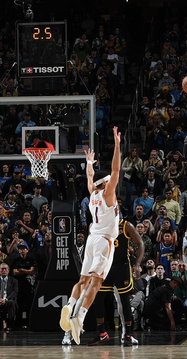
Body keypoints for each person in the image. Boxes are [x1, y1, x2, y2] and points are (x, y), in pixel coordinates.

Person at [60, 127, 122, 344]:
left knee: (82, 280)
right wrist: (117, 145)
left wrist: (88, 163)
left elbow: (89, 177)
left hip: (91, 240)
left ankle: (70, 305)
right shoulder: (107, 194)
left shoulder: (92, 193)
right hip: (104, 242)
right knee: (96, 283)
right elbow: (116, 169)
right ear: (105, 183)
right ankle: (80, 318)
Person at [82, 219, 144, 347]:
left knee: (124, 300)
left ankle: (127, 334)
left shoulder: (126, 225)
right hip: (104, 265)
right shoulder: (95, 225)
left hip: (121, 266)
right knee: (98, 298)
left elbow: (140, 243)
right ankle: (101, 332)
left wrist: (137, 264)